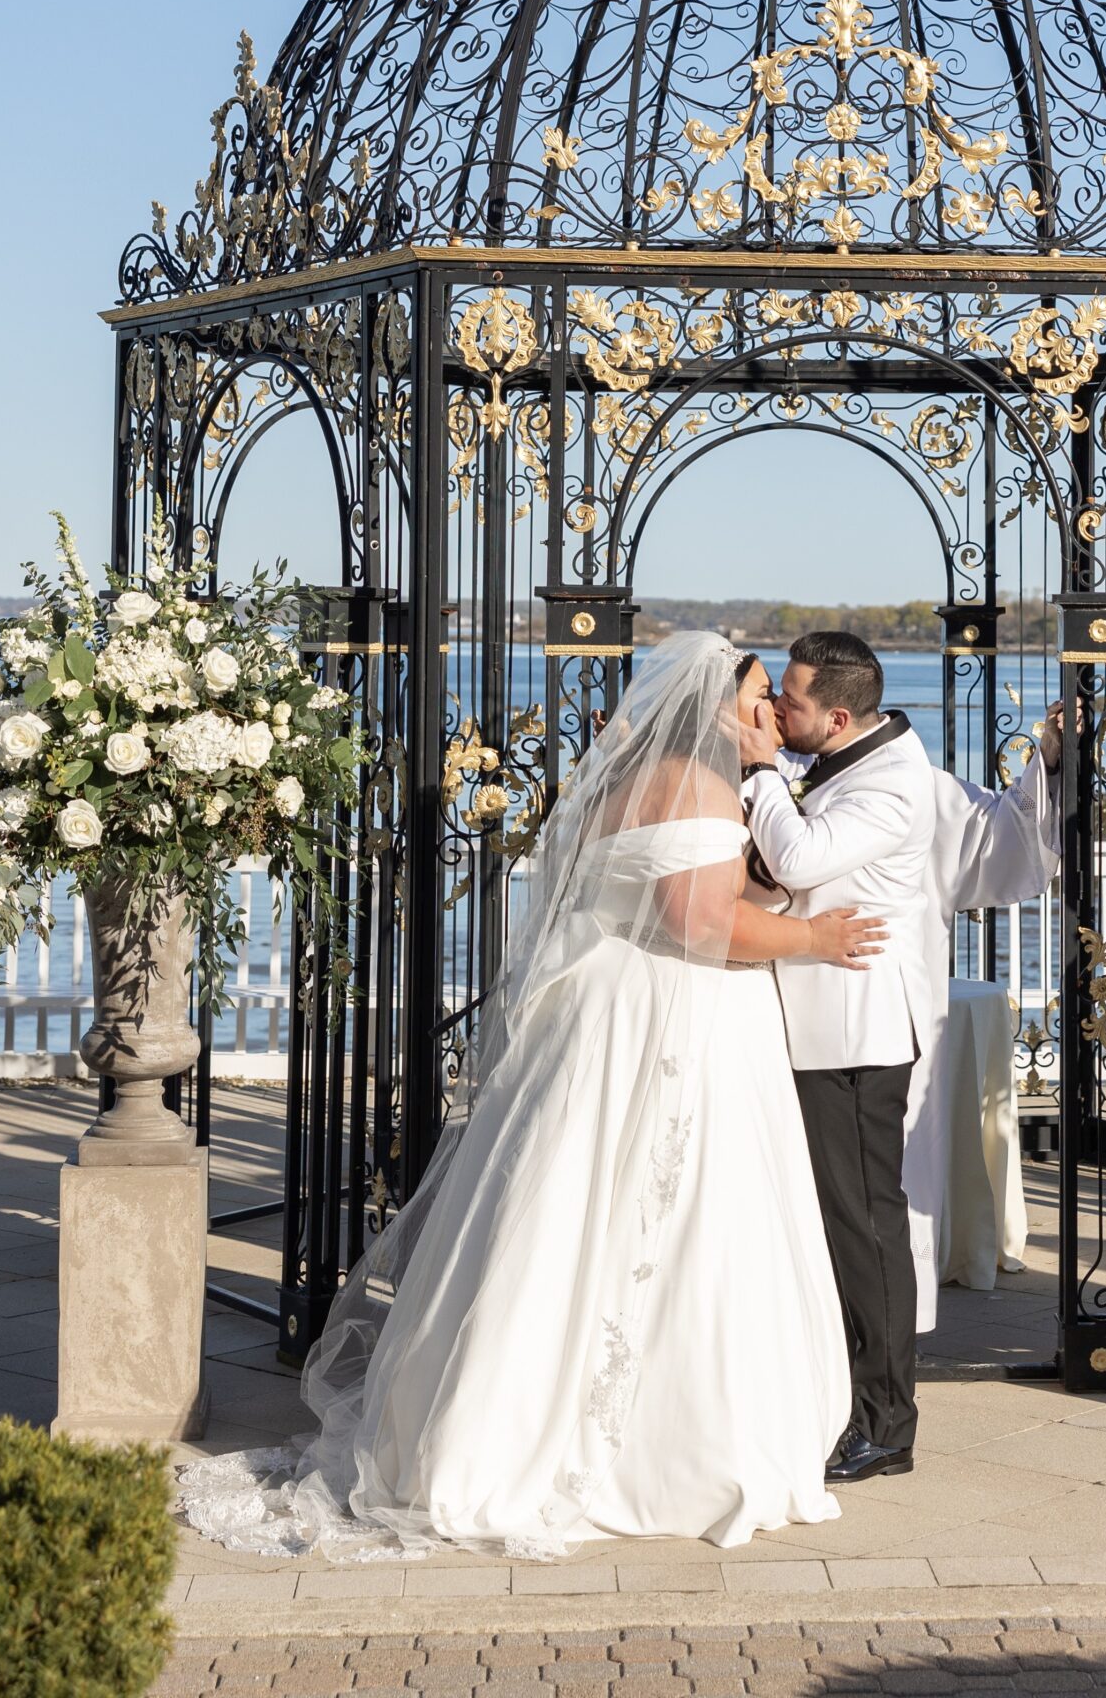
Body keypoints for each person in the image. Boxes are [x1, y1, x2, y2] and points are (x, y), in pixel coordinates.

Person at [180, 633, 883, 1559]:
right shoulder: (697, 784)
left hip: (610, 1018)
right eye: (759, 700)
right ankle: (646, 1451)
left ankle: (496, 1414)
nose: (772, 721)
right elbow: (700, 920)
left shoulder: (647, 780)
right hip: (673, 1029)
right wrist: (815, 940)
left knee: (572, 1213)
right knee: (674, 1214)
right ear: (715, 708)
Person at [739, 630, 936, 1485]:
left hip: (853, 1037)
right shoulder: (846, 760)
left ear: (841, 715)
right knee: (832, 1226)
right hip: (816, 1023)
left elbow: (799, 856)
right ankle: (839, 1394)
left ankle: (888, 1424)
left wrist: (757, 772)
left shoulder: (892, 784)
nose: (780, 711)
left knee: (865, 1229)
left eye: (793, 701)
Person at [913, 705, 1063, 1328]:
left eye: (787, 695)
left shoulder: (917, 786)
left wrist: (1049, 760)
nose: (779, 711)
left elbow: (1002, 829)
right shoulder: (761, 775)